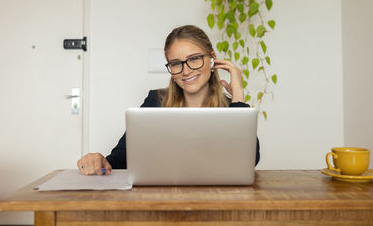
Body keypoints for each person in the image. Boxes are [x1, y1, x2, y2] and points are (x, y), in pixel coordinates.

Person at [77, 25, 260, 175]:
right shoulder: (155, 102)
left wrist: (238, 96)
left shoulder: (233, 110)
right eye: (176, 63)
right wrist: (98, 160)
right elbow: (119, 160)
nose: (186, 70)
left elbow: (249, 160)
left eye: (194, 59)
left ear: (212, 59)